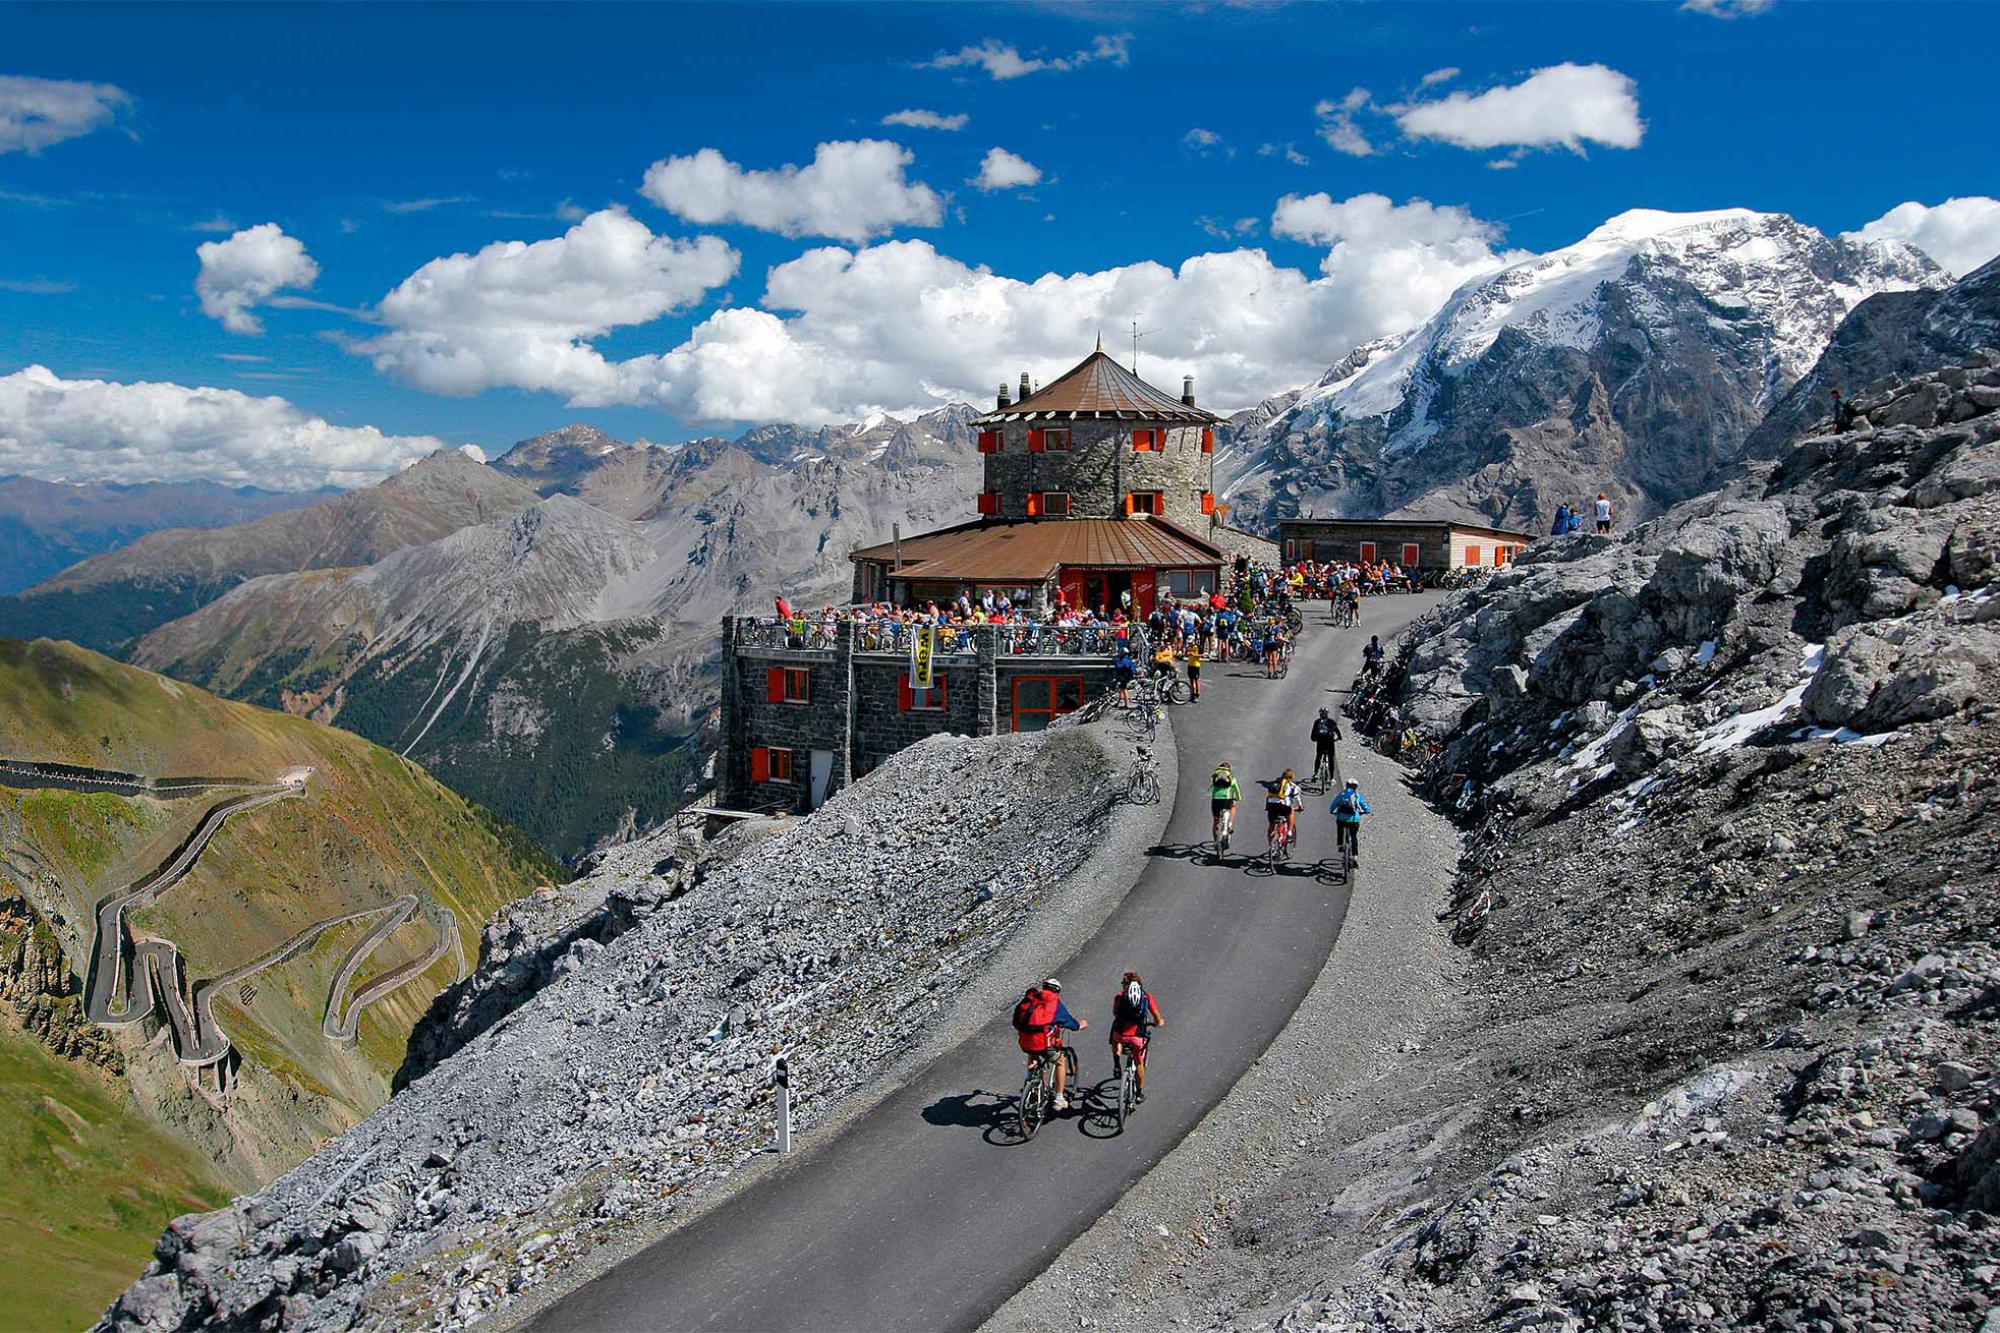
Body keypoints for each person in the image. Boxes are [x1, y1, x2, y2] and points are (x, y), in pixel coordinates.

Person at [1012, 977, 1087, 1110]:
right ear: (1057, 992)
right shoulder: (1054, 1003)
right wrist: (1079, 1025)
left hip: (1025, 1041)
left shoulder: (1032, 1000)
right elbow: (1069, 1022)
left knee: (1033, 1054)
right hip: (1043, 1044)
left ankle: (1030, 1080)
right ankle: (1059, 1098)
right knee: (1060, 1062)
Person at [1108, 971, 1165, 1101]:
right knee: (1139, 1062)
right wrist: (1158, 1023)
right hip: (1137, 1037)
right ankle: (1139, 1094)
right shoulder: (1146, 997)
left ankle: (1117, 1064)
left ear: (1125, 986)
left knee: (1115, 1037)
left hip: (1120, 1034)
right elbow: (1157, 1017)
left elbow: (1115, 1013)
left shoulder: (1119, 996)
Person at [1330, 779, 1370, 864]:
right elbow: (1366, 807)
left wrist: (1332, 810)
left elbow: (1334, 804)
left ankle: (1340, 845)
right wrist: (1365, 811)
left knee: (1340, 829)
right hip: (1354, 820)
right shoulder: (1358, 796)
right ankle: (1355, 855)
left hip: (1342, 819)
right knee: (1354, 836)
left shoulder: (1342, 795)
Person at [1265, 768, 1302, 853]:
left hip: (1271, 806)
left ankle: (1271, 847)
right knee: (1291, 811)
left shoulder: (1274, 783)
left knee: (1271, 826)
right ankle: (1289, 832)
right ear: (1291, 778)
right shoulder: (1293, 786)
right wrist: (1300, 807)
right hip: (1283, 806)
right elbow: (1298, 798)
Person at [1210, 760, 1241, 851]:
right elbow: (1237, 792)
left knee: (1216, 821)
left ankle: (1216, 841)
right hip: (1226, 800)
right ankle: (1230, 824)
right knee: (1233, 806)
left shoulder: (1215, 777)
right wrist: (1237, 799)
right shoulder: (1232, 778)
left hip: (1215, 800)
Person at [1310, 708, 1343, 782]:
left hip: (1320, 742)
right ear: (1327, 714)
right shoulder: (1331, 722)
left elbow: (1313, 735)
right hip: (1330, 742)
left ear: (1320, 714)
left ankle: (1315, 773)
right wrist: (1339, 738)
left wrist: (1314, 739)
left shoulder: (1317, 722)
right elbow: (1337, 732)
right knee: (1331, 759)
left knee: (1318, 757)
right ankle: (1331, 778)